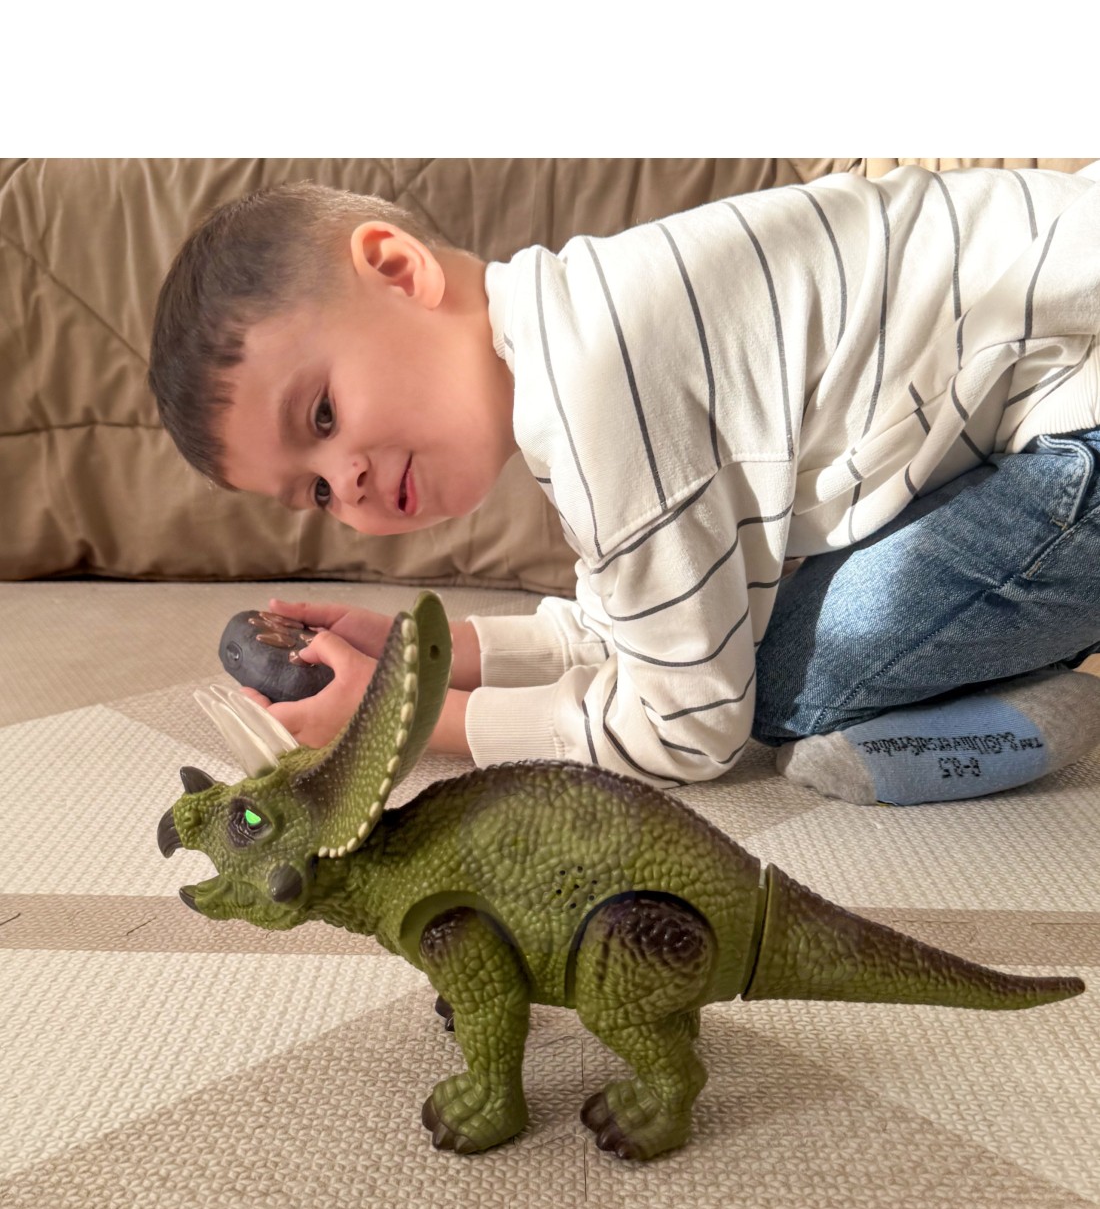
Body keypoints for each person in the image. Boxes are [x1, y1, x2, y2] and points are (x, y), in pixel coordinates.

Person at [148, 165, 1100, 805]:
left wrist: (409, 718)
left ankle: (1012, 719)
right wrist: (424, 655)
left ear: (398, 270)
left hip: (1082, 420)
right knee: (737, 626)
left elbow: (690, 729)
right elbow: (640, 625)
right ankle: (1018, 690)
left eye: (322, 417)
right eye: (315, 494)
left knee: (774, 685)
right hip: (1047, 403)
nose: (346, 482)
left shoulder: (598, 385)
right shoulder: (580, 322)